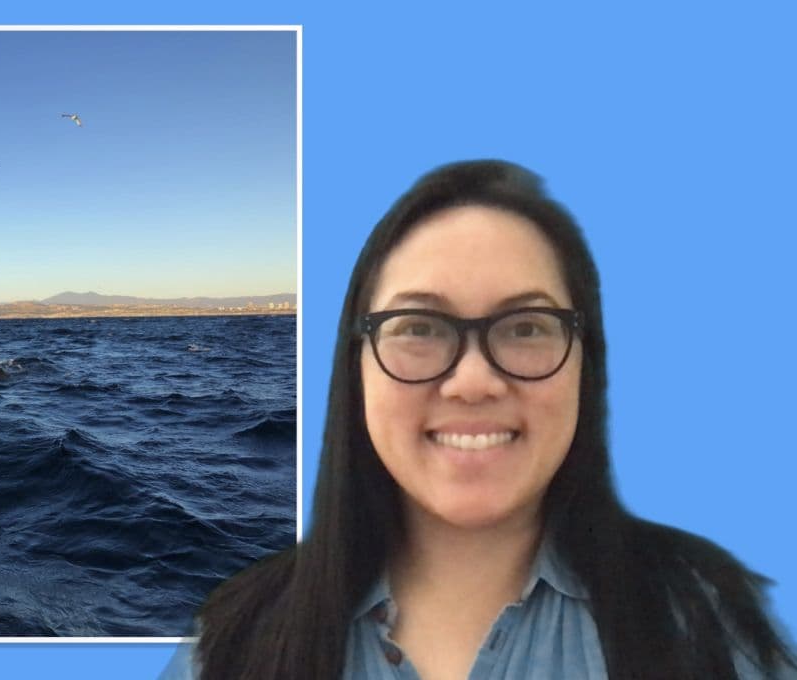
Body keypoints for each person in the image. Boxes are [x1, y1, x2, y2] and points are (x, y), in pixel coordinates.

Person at [160, 159, 796, 679]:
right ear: (356, 365)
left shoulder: (711, 625)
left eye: (525, 326)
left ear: (587, 362)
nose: (473, 382)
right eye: (419, 327)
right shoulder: (229, 647)